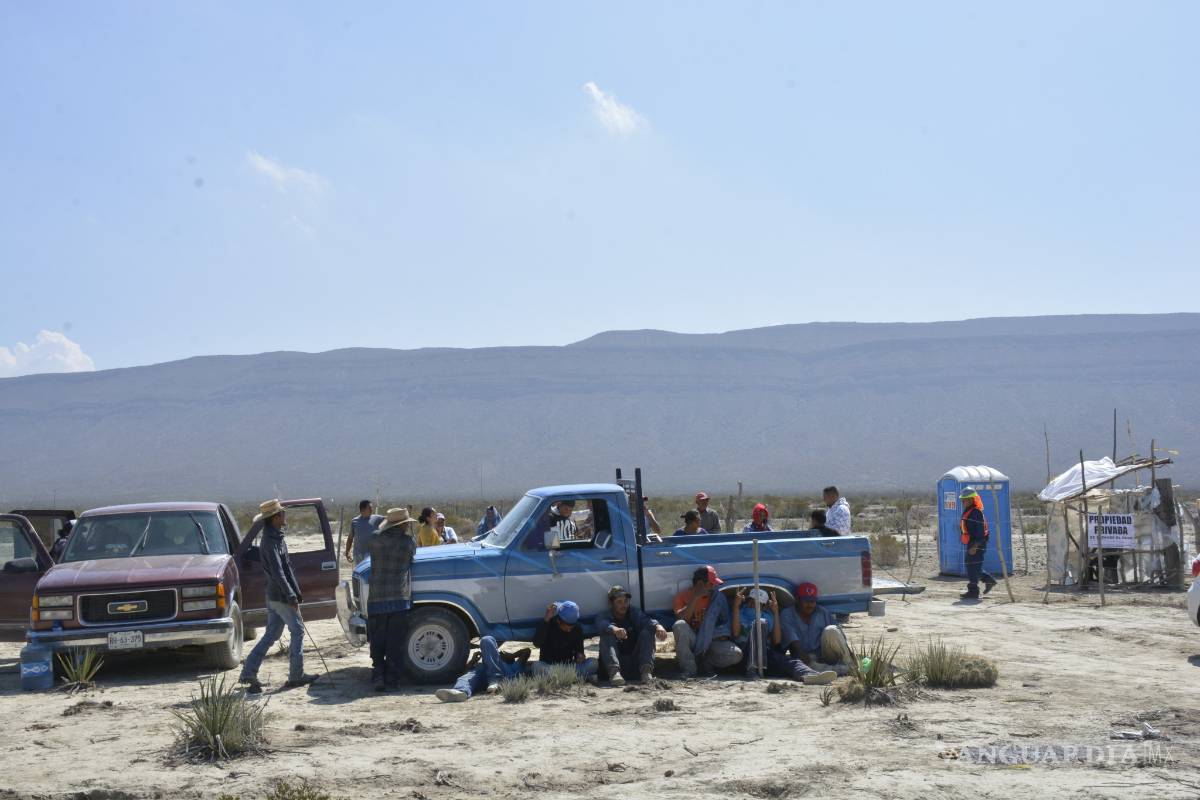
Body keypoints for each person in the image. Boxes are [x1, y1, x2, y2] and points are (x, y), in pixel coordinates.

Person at [239, 499, 318, 693]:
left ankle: (248, 672)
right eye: (282, 513)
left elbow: (286, 568)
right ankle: (296, 676)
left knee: (272, 634)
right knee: (298, 631)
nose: (285, 516)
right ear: (275, 518)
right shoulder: (270, 541)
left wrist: (296, 592)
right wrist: (291, 595)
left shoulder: (275, 538)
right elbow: (278, 571)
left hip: (275, 595)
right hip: (280, 596)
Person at [366, 507, 419, 691]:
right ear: (404, 525)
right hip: (398, 597)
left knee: (378, 640)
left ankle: (378, 675)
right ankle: (393, 678)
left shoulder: (374, 540)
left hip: (376, 597)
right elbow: (412, 558)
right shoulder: (408, 542)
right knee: (395, 642)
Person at [672, 566, 742, 678]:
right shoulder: (682, 597)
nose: (713, 587)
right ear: (700, 583)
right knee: (679, 626)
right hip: (694, 639)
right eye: (710, 584)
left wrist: (719, 634)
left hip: (711, 641)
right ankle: (689, 669)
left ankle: (706, 662)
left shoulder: (717, 597)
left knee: (736, 655)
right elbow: (682, 618)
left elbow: (724, 624)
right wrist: (695, 598)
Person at [597, 585, 669, 685]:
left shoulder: (633, 613)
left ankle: (646, 673)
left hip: (634, 664)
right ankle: (614, 673)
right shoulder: (604, 615)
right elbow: (601, 624)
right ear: (611, 603)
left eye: (626, 601)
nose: (624, 605)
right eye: (619, 602)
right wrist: (614, 629)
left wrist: (658, 626)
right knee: (606, 634)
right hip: (617, 665)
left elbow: (646, 621)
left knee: (647, 632)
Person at [780, 582, 853, 676]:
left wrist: (850, 654)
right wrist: (804, 657)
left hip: (824, 654)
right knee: (808, 666)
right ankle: (839, 671)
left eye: (812, 601)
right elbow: (792, 639)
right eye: (806, 601)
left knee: (831, 630)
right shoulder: (787, 614)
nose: (810, 604)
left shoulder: (822, 612)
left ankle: (849, 666)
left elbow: (839, 636)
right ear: (797, 600)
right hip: (805, 657)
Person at [436, 636, 531, 702]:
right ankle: (461, 692)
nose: (500, 654)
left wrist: (512, 655)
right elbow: (465, 673)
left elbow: (527, 651)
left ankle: (495, 679)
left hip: (503, 678)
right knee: (468, 676)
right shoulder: (485, 665)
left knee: (487, 639)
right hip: (485, 678)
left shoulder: (513, 666)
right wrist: (473, 661)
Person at [531, 600, 598, 678]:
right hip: (549, 666)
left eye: (571, 627)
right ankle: (572, 677)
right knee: (536, 666)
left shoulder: (577, 628)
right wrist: (546, 620)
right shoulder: (548, 624)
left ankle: (560, 677)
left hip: (569, 667)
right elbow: (537, 643)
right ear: (559, 620)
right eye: (566, 627)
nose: (569, 630)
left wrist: (580, 656)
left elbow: (579, 651)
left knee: (593, 663)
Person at [959, 488, 997, 600]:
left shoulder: (976, 513)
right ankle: (988, 581)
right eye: (962, 500)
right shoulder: (969, 510)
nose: (963, 502)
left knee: (972, 566)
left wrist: (975, 546)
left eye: (965, 499)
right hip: (972, 542)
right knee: (973, 566)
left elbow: (981, 532)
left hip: (977, 543)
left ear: (971, 499)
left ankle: (974, 591)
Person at [344, 500, 384, 564]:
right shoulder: (354, 522)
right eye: (370, 508)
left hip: (372, 555)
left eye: (372, 508)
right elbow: (350, 538)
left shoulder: (377, 519)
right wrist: (347, 552)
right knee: (360, 572)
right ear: (362, 509)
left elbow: (391, 519)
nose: (372, 509)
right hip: (358, 555)